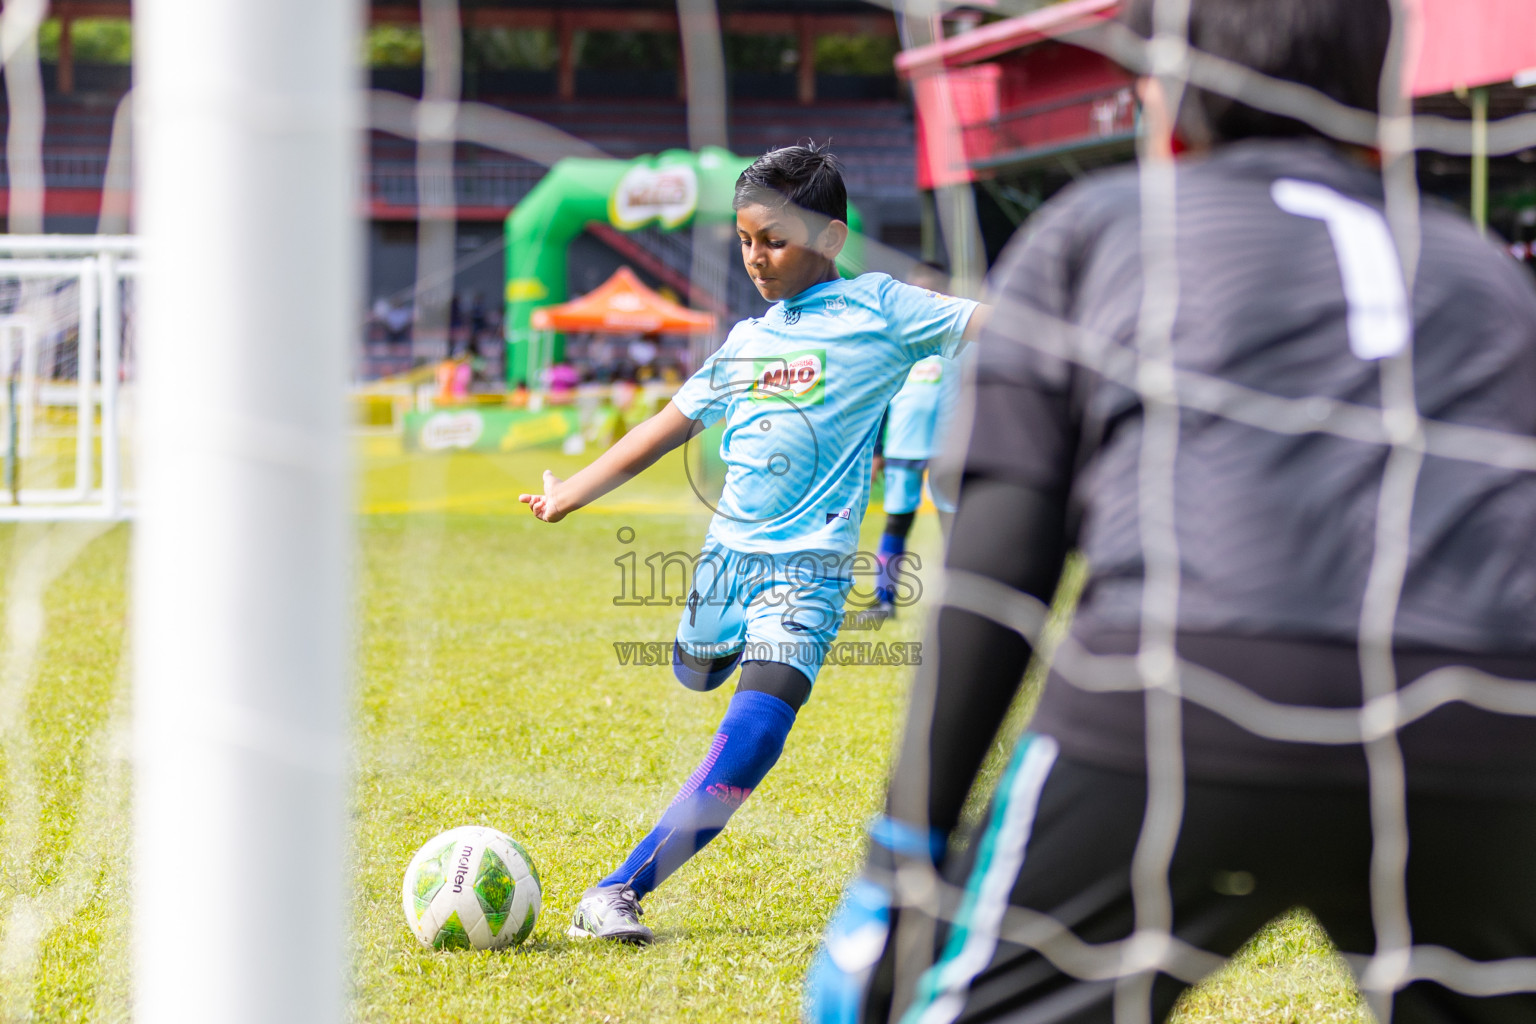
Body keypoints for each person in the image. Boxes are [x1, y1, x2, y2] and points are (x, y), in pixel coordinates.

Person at [804, 0, 1536, 1021]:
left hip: (1185, 688)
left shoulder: (1098, 229)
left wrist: (903, 853)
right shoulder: (1484, 274)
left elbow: (1001, 567)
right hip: (1477, 715)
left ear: (1164, 97)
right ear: (1382, 106)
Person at [520, 144, 990, 944]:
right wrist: (571, 492)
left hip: (807, 574)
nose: (755, 257)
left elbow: (992, 321)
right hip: (723, 565)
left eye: (772, 237)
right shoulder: (743, 343)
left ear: (831, 239)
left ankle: (618, 890)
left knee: (758, 733)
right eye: (744, 240)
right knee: (696, 672)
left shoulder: (882, 309)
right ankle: (715, 653)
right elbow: (662, 430)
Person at [866, 263, 965, 623]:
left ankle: (960, 604)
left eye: (932, 292)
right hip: (903, 450)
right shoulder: (899, 344)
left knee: (952, 527)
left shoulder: (961, 341)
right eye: (917, 292)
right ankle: (883, 601)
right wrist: (877, 451)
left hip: (948, 451)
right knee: (897, 523)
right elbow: (882, 402)